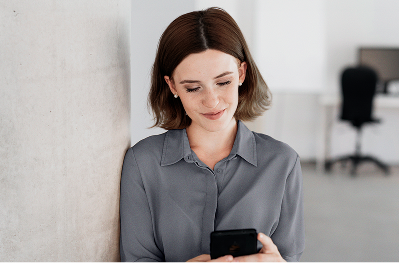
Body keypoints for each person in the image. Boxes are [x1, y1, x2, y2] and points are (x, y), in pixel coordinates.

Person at [120, 7, 304, 263]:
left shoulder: (283, 162)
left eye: (223, 82)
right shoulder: (142, 163)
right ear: (172, 86)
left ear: (241, 73)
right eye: (194, 88)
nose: (212, 101)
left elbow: (289, 256)